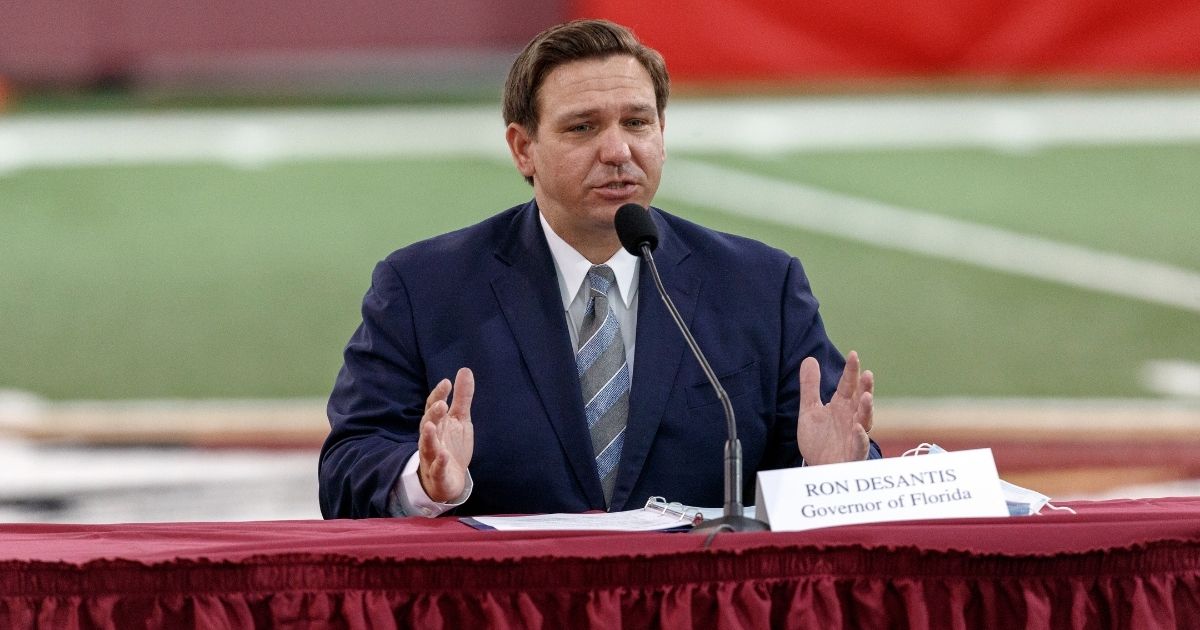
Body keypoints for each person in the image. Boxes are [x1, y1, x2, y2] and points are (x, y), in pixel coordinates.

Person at [319, 19, 879, 519]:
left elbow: (833, 453)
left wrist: (830, 473)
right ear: (523, 149)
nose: (617, 150)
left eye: (637, 122)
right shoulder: (424, 288)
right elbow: (347, 468)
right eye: (582, 127)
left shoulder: (761, 286)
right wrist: (424, 480)